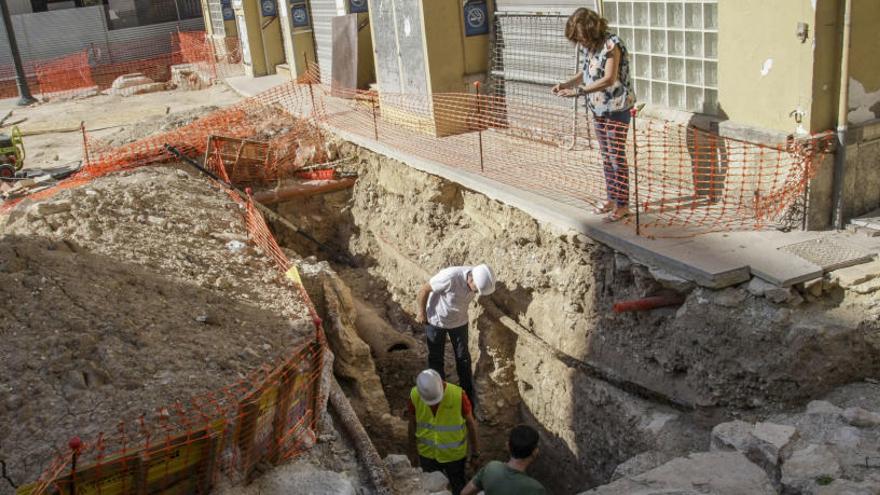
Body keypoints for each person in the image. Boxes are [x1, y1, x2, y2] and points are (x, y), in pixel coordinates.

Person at [552, 7, 636, 223]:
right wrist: (566, 83)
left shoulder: (611, 44)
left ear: (591, 29)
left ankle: (623, 204)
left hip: (616, 108)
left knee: (616, 157)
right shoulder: (592, 47)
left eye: (581, 37)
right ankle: (611, 198)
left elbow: (609, 78)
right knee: (606, 156)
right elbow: (586, 72)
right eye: (577, 39)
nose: (580, 42)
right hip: (598, 108)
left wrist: (578, 92)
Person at [415, 264, 495, 406]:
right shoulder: (450, 277)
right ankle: (438, 396)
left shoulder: (477, 275)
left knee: (463, 358)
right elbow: (424, 290)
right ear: (470, 279)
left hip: (459, 322)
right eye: (475, 290)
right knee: (436, 358)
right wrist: (421, 313)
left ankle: (467, 397)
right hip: (436, 321)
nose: (475, 293)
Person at [408, 369, 480, 495]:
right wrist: (412, 452)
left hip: (454, 456)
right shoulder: (415, 395)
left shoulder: (457, 394)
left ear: (441, 384)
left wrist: (475, 454)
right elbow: (412, 424)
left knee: (458, 487)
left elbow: (471, 424)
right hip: (427, 454)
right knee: (432, 490)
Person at [461, 424, 546, 495]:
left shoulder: (491, 467)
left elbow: (465, 493)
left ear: (508, 446)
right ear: (535, 452)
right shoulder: (536, 489)